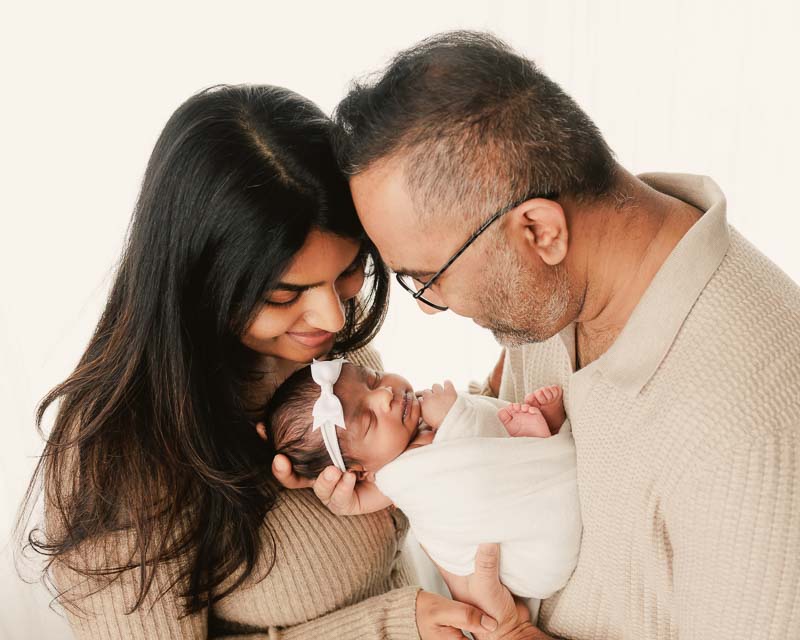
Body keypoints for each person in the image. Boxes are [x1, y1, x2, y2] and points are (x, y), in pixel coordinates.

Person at [275, 31, 800, 639]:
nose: (430, 307)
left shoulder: (753, 435)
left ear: (540, 232)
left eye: (430, 279)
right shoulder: (555, 295)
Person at [19, 84, 502, 639]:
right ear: (199, 283)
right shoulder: (115, 462)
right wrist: (387, 626)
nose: (333, 320)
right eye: (282, 295)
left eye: (348, 274)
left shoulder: (328, 362)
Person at [263, 357, 579, 611]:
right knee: (482, 475)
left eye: (372, 378)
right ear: (360, 472)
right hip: (532, 561)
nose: (384, 395)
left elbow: (481, 450)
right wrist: (455, 418)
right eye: (370, 420)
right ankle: (537, 440)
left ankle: (534, 442)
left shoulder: (407, 436)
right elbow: (465, 478)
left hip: (515, 487)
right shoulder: (395, 476)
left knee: (499, 442)